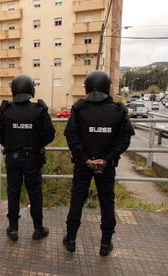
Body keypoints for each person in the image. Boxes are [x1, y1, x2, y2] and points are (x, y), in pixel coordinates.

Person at [63, 71, 135, 256]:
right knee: (107, 203)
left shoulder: (79, 108)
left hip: (83, 164)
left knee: (77, 200)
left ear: (86, 87)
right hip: (107, 166)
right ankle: (105, 244)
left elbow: (71, 136)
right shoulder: (118, 110)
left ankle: (70, 240)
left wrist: (85, 158)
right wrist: (107, 158)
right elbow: (124, 139)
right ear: (107, 86)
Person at [0, 75, 55, 241]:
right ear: (30, 89)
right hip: (32, 159)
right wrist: (35, 145)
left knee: (13, 193)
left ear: (14, 89)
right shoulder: (39, 110)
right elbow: (50, 134)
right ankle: (38, 229)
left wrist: (12, 144)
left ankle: (13, 229)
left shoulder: (6, 110)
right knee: (35, 194)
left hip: (13, 159)